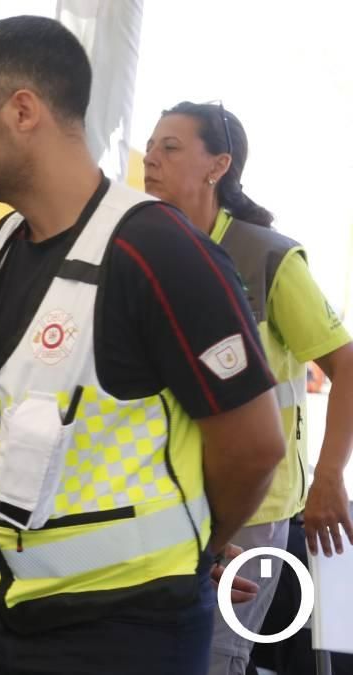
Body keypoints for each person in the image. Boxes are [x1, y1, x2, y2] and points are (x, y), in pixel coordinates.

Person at [0, 16, 284, 674]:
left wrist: (200, 548)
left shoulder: (157, 250)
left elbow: (256, 445)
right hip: (7, 622)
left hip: (128, 637)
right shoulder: (3, 245)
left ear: (23, 110)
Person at [144, 101, 353, 675]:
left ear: (218, 165)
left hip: (254, 508)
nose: (151, 157)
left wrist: (329, 477)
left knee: (212, 662)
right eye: (151, 144)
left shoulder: (268, 257)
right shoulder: (145, 250)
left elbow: (348, 366)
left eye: (171, 147)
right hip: (165, 509)